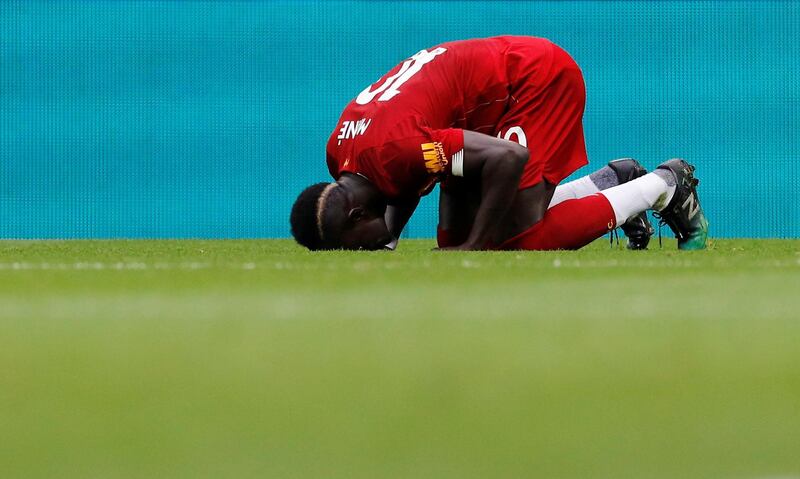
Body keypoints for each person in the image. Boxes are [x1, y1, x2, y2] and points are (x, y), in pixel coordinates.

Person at [290, 36, 708, 251]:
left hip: (532, 82)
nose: (359, 253)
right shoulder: (343, 153)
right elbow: (404, 175)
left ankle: (666, 183)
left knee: (514, 240)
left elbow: (509, 158)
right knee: (454, 242)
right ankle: (614, 180)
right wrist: (391, 237)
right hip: (479, 112)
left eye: (353, 246)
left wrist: (477, 248)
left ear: (357, 211)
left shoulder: (394, 149)